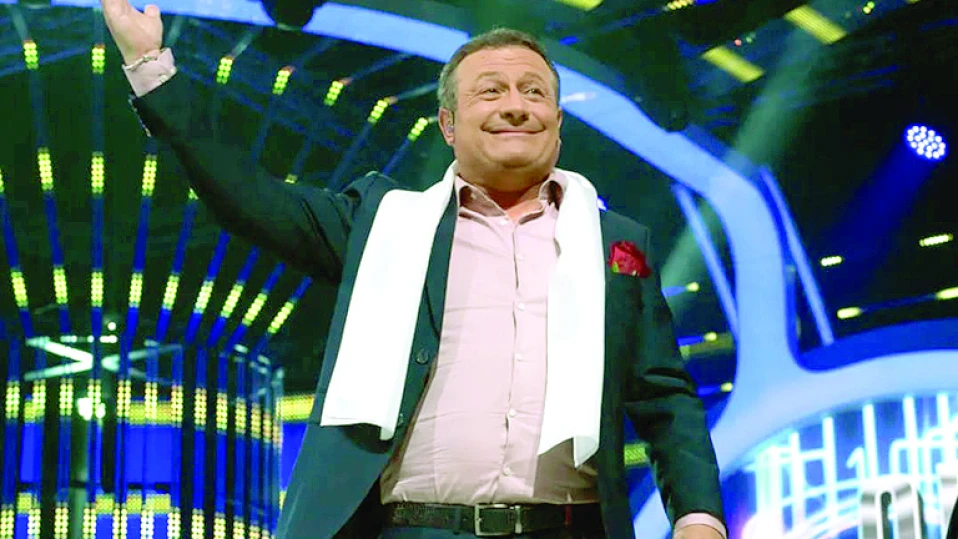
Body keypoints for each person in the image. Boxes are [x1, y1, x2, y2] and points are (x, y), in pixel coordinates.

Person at [101, 1, 726, 537]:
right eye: (491, 91)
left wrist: (698, 516)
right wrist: (151, 67)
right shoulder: (383, 223)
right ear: (448, 125)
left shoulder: (615, 243)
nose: (516, 106)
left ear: (557, 124)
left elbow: (664, 396)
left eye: (534, 92)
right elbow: (249, 197)